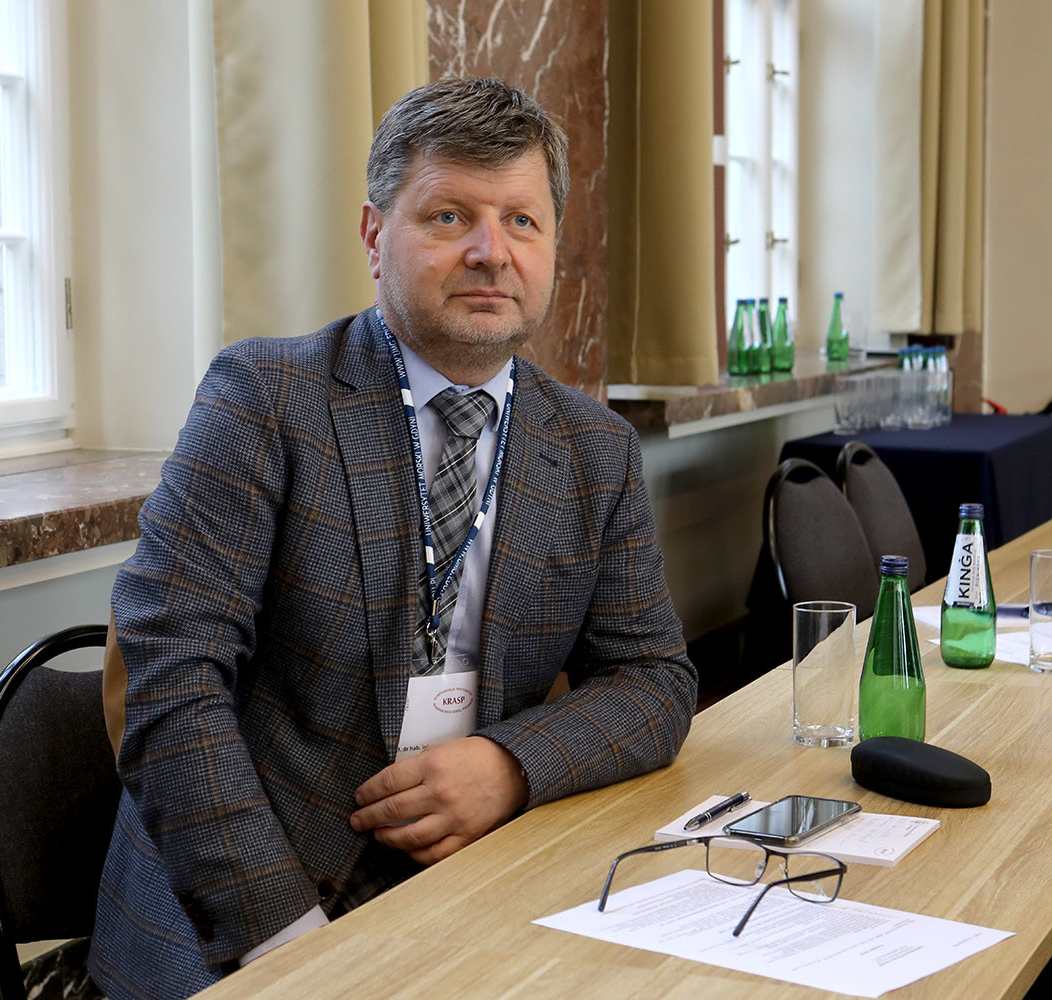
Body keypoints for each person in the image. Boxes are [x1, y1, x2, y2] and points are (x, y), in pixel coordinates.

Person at [89, 77, 697, 1000]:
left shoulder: (594, 449)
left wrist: (509, 768)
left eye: (522, 222)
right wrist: (290, 943)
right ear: (375, 235)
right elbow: (166, 677)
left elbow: (653, 680)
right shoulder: (265, 399)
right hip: (252, 902)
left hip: (470, 872)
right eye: (449, 217)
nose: (491, 252)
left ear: (553, 249)